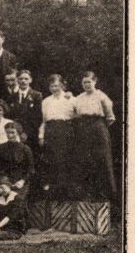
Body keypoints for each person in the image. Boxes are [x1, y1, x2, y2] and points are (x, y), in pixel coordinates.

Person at [71, 71, 116, 202]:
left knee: (102, 159)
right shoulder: (79, 98)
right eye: (84, 82)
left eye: (89, 82)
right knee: (85, 160)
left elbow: (110, 117)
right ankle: (87, 194)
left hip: (98, 128)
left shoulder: (101, 96)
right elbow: (74, 113)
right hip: (83, 130)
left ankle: (105, 195)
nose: (87, 84)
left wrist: (99, 128)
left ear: (95, 82)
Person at [39, 74, 75, 198]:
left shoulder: (71, 99)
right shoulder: (46, 101)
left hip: (65, 130)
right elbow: (44, 121)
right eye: (51, 86)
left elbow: (77, 115)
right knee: (52, 159)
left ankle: (66, 191)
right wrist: (41, 135)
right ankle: (53, 192)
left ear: (62, 85)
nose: (54, 88)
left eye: (56, 86)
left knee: (65, 159)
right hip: (50, 131)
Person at [0, 123, 35, 200]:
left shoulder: (25, 149)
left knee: (17, 199)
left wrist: (22, 181)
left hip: (20, 182)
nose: (10, 135)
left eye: (12, 132)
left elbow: (31, 169)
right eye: (8, 132)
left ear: (18, 133)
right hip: (4, 181)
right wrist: (1, 182)